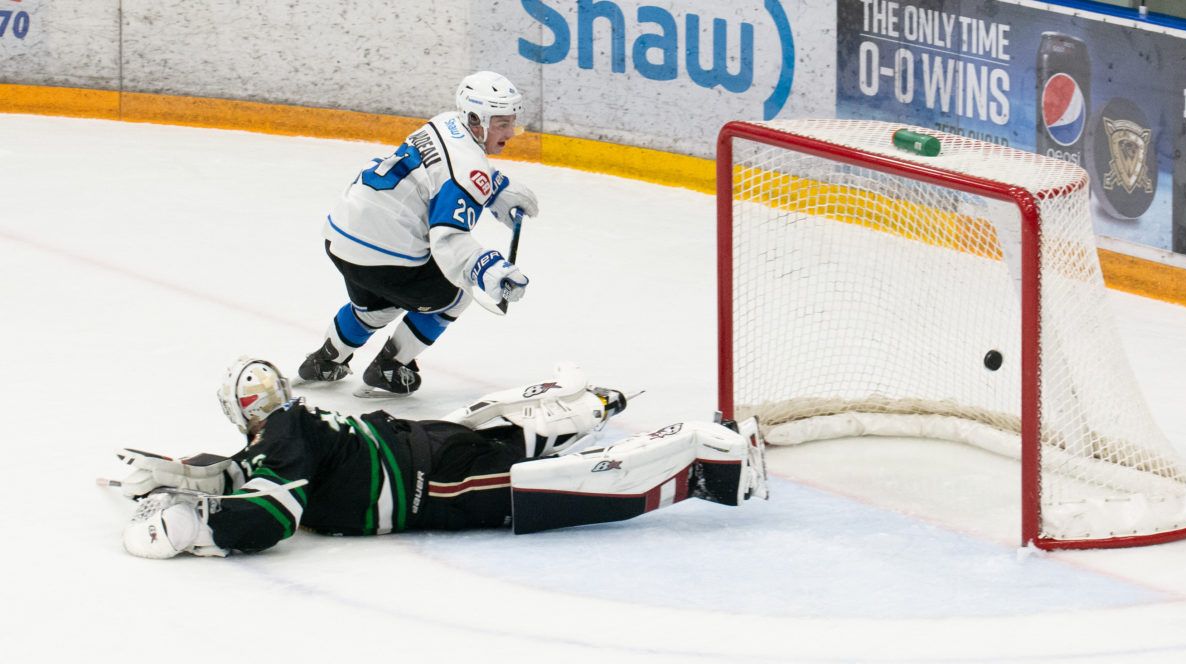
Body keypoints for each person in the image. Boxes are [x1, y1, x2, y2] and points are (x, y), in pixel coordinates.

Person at [115, 357, 769, 559]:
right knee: (510, 448)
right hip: (423, 447)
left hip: (434, 482)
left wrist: (199, 526)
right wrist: (181, 476)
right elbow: (252, 470)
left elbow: (274, 513)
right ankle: (593, 406)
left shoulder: (283, 439)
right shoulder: (291, 426)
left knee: (547, 491)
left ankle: (706, 454)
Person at [298, 70, 539, 396]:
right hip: (384, 255)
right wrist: (489, 269)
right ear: (474, 119)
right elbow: (449, 239)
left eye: (511, 122)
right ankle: (390, 366)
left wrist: (496, 189)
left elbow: (443, 169)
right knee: (458, 291)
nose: (510, 132)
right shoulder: (468, 167)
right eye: (501, 124)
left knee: (378, 305)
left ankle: (326, 360)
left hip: (340, 236)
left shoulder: (445, 123)